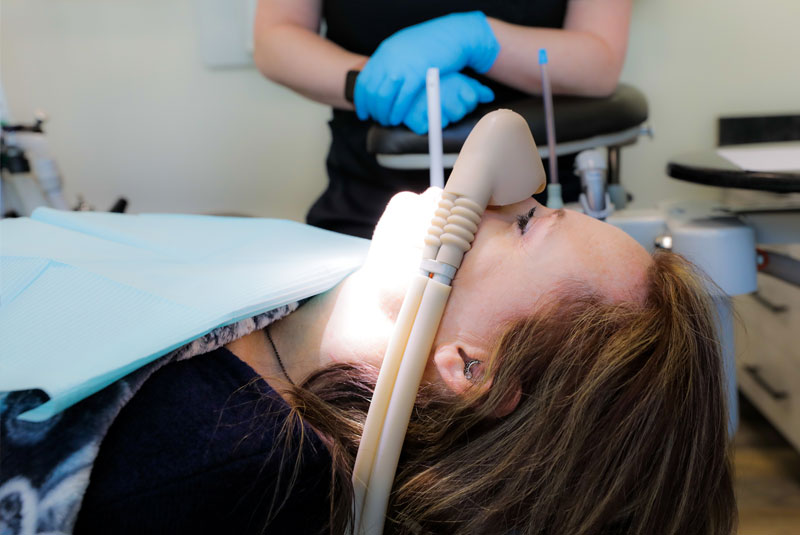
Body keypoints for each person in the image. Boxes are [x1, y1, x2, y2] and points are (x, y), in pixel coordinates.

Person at [68, 189, 736, 534]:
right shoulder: (306, 278)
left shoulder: (210, 465)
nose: (496, 195)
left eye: (528, 222)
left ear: (473, 369)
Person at [253, 0, 634, 238]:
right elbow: (275, 37)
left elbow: (599, 61)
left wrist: (479, 39)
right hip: (369, 203)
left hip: (537, 214)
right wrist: (370, 82)